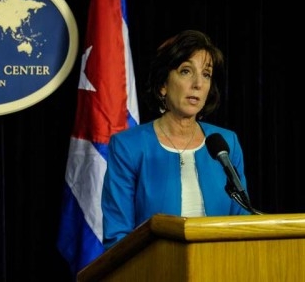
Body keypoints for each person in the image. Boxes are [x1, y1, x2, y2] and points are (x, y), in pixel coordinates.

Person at [101, 29, 251, 249]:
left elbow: (244, 223)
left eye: (206, 74)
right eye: (186, 71)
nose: (198, 84)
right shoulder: (128, 147)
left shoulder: (226, 143)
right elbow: (117, 237)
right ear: (163, 84)